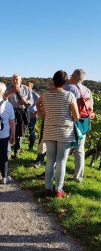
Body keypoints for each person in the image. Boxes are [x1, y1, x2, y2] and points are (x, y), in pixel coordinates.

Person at [42, 70, 79, 198]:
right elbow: (76, 116)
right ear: (65, 81)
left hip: (50, 130)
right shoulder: (69, 96)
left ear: (53, 80)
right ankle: (58, 190)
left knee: (50, 160)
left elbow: (44, 112)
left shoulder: (45, 95)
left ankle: (47, 188)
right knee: (61, 161)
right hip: (65, 132)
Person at [65, 69, 93, 182]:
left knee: (63, 148)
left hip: (70, 122)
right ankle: (78, 177)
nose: (70, 77)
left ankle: (55, 173)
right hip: (82, 123)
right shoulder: (88, 91)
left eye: (71, 75)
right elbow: (91, 108)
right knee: (80, 151)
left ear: (75, 77)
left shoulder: (69, 88)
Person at [5, 74, 33, 158]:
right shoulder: (8, 88)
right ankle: (8, 151)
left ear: (20, 80)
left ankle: (17, 151)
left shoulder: (26, 89)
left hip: (21, 112)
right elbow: (3, 97)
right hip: (10, 112)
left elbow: (31, 101)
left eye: (16, 79)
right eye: (13, 79)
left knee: (20, 132)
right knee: (9, 131)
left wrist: (25, 102)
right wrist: (12, 91)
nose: (15, 81)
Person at [26, 80, 40, 151]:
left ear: (31, 86)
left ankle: (31, 147)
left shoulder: (35, 95)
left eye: (28, 85)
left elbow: (41, 105)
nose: (27, 87)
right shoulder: (24, 94)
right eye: (26, 85)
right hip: (24, 115)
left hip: (31, 115)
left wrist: (35, 113)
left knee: (31, 131)